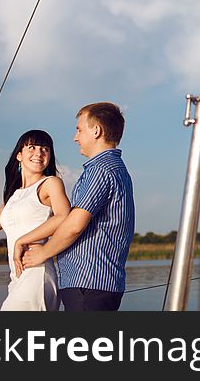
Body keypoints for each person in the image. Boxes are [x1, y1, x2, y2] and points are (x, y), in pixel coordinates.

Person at [21, 102, 134, 311]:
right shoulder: (113, 168)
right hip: (94, 284)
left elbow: (74, 225)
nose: (75, 137)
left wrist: (43, 252)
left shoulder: (101, 170)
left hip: (89, 284)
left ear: (96, 131)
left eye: (79, 129)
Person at [0, 129, 70, 311]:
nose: (39, 153)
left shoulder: (50, 183)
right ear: (19, 155)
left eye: (45, 149)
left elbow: (63, 216)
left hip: (37, 272)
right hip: (17, 278)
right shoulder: (15, 195)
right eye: (32, 147)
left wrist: (22, 241)